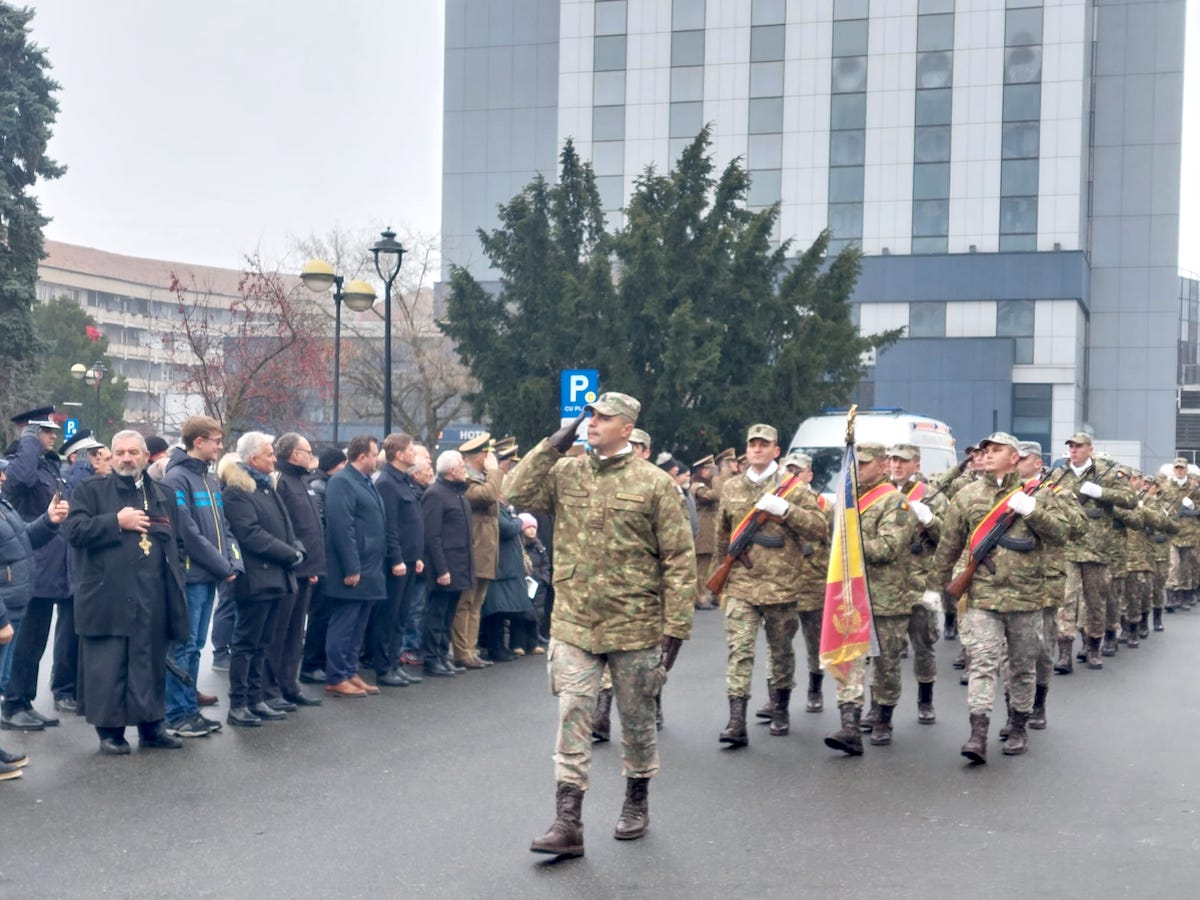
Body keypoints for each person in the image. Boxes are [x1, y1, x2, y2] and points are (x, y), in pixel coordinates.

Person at [507, 392, 695, 857]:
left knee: (636, 719)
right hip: (574, 620)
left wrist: (677, 628)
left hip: (634, 622)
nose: (592, 423)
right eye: (589, 416)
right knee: (574, 713)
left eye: (603, 418)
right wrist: (554, 442)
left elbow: (678, 559)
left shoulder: (654, 484)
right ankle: (567, 821)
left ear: (627, 427)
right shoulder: (566, 470)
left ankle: (636, 801)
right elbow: (512, 492)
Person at [926, 432, 1069, 763]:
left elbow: (1063, 534)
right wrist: (933, 590)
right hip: (984, 598)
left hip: (1026, 598)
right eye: (984, 450)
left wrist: (1034, 511)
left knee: (1020, 667)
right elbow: (949, 546)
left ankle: (1018, 725)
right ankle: (978, 733)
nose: (986, 455)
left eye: (996, 450)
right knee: (982, 664)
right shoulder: (967, 496)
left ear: (1014, 457)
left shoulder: (1038, 495)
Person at [65, 430, 190, 754]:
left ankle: (152, 725)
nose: (125, 458)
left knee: (148, 663)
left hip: (152, 596)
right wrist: (115, 522)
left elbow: (175, 540)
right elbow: (74, 531)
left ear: (146, 456)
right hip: (107, 595)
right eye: (119, 452)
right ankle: (110, 732)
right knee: (109, 666)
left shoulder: (160, 492)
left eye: (133, 452)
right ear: (112, 455)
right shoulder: (90, 490)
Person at [715, 424, 826, 746]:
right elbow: (723, 534)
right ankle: (736, 719)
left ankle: (780, 708)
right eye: (752, 445)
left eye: (764, 445)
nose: (757, 450)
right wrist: (718, 578)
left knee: (780, 651)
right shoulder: (732, 487)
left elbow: (819, 528)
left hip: (782, 586)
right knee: (740, 650)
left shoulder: (792, 488)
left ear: (776, 450)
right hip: (741, 584)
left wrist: (788, 511)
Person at [823, 442, 912, 757]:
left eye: (863, 463)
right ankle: (849, 726)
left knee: (886, 664)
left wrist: (851, 539)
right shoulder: (847, 500)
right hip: (850, 596)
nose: (856, 469)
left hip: (885, 596)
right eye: (854, 464)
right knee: (851, 660)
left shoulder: (895, 502)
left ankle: (884, 718)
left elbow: (890, 547)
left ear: (882, 465)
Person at [160, 416, 243, 737]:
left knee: (194, 646)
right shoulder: (177, 479)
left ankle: (189, 709)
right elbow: (188, 533)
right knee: (183, 646)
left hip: (209, 575)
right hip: (190, 577)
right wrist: (223, 568)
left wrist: (233, 563)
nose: (220, 446)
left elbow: (223, 528)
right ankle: (176, 714)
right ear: (198, 442)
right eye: (216, 440)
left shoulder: (208, 480)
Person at [220, 432, 301, 726]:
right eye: (269, 454)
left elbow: (285, 526)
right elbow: (251, 534)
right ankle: (238, 704)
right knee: (246, 643)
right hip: (256, 579)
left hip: (274, 576)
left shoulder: (266, 487)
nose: (274, 459)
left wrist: (296, 547)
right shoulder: (237, 491)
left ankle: (256, 699)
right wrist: (290, 553)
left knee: (262, 642)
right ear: (253, 458)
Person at [1, 406, 73, 730]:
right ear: (29, 432)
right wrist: (27, 440)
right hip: (30, 565)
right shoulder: (18, 463)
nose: (53, 435)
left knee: (35, 643)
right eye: (45, 431)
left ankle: (25, 700)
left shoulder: (47, 464)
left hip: (48, 561)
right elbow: (20, 480)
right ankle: (12, 703)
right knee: (24, 641)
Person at [0, 457, 68, 775]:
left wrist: (49, 521)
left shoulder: (3, 506)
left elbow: (22, 540)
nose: (3, 477)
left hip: (14, 607)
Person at [1051, 432, 1137, 669]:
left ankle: (1093, 646)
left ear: (1090, 449)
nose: (1074, 451)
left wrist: (1101, 493)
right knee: (1066, 599)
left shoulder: (1107, 473)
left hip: (1097, 550)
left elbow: (1130, 499)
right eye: (1071, 447)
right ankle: (1065, 652)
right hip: (1067, 548)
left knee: (1095, 601)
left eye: (1079, 447)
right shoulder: (1059, 473)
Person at [322, 435, 386, 698]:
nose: (376, 459)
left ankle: (350, 671)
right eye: (374, 454)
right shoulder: (342, 482)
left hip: (370, 566)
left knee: (358, 624)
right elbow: (341, 527)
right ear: (362, 456)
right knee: (344, 623)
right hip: (353, 568)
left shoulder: (364, 482)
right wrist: (351, 567)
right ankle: (336, 676)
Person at [266, 432, 325, 708]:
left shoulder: (302, 481)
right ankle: (271, 688)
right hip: (288, 567)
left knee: (294, 634)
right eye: (307, 450)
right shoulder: (280, 481)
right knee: (279, 632)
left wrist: (313, 565)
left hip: (305, 568)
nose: (311, 455)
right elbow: (281, 526)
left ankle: (290, 684)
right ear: (294, 453)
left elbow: (311, 527)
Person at [369, 432, 425, 687]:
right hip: (397, 561)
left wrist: (417, 557)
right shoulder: (387, 483)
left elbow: (413, 522)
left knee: (402, 615)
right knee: (388, 615)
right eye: (411, 450)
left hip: (411, 559)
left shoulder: (405, 481)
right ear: (399, 454)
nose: (414, 453)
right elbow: (389, 526)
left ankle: (394, 662)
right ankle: (383, 667)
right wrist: (397, 558)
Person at [420, 450, 474, 677]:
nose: (465, 469)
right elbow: (432, 536)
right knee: (436, 614)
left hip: (460, 564)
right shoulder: (435, 494)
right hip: (445, 567)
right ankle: (432, 658)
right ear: (452, 471)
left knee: (448, 614)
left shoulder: (458, 494)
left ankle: (443, 655)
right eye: (462, 465)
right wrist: (441, 569)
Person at [454, 434, 502, 669]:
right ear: (481, 455)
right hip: (472, 550)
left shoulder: (483, 478)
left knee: (476, 604)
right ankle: (461, 651)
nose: (490, 458)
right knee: (465, 604)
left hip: (484, 550)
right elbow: (488, 495)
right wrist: (494, 472)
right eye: (487, 454)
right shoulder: (467, 480)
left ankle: (470, 650)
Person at [299, 446, 346, 684]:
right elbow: (320, 527)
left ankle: (318, 661)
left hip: (326, 560)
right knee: (320, 614)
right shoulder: (319, 487)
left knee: (324, 614)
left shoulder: (324, 485)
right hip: (323, 560)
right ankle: (311, 664)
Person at [479, 502, 536, 661]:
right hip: (500, 565)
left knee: (502, 610)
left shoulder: (504, 508)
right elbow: (506, 528)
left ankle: (501, 646)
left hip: (506, 566)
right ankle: (494, 648)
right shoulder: (495, 507)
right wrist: (517, 521)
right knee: (495, 610)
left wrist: (514, 520)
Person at [398, 443, 433, 667]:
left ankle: (413, 644)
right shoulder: (413, 492)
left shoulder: (422, 492)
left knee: (417, 606)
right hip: (410, 557)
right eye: (428, 469)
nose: (431, 473)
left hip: (421, 557)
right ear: (417, 474)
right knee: (412, 607)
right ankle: (408, 647)